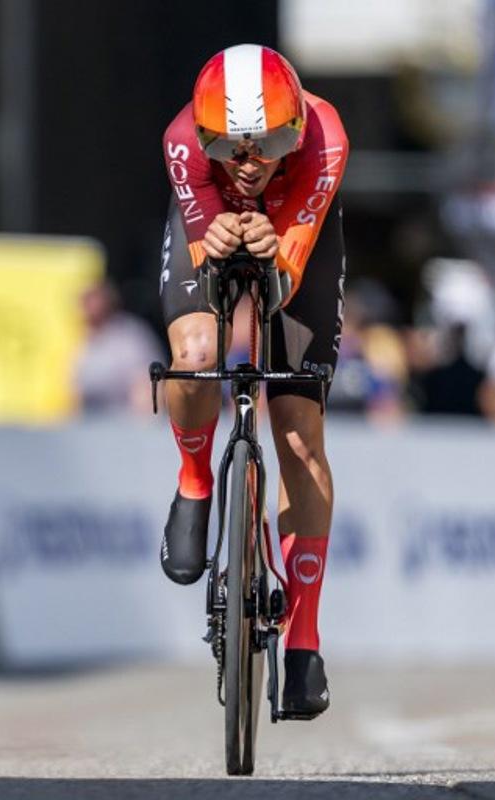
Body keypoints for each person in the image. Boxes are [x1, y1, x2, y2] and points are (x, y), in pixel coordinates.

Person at [158, 44, 347, 719]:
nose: (250, 160)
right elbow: (205, 251)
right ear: (203, 132)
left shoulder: (325, 136)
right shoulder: (183, 142)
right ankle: (196, 477)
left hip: (299, 231)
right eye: (231, 144)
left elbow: (290, 267)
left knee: (298, 437)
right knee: (197, 350)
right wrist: (220, 234)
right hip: (211, 224)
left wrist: (276, 243)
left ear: (296, 125)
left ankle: (303, 641)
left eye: (271, 140)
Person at [73, 280, 163, 414]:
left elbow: (146, 386)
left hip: (124, 422)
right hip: (88, 421)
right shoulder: (81, 338)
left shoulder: (129, 336)